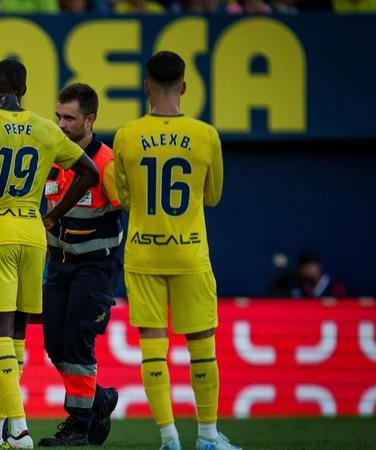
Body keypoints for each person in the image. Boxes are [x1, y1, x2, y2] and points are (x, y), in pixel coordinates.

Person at [0, 59, 99, 449]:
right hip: (33, 235)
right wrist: (52, 216)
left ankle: (22, 429)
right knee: (16, 339)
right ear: (25, 90)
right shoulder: (46, 129)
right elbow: (89, 172)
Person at [113, 51, 240, 450]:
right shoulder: (206, 135)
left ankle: (169, 438)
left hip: (143, 253)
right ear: (184, 86)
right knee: (202, 343)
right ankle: (206, 435)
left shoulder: (126, 135)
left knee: (154, 344)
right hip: (190, 253)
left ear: (146, 86)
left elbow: (126, 199)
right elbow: (214, 196)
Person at [38, 83, 122, 447]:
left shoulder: (107, 164)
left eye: (69, 118)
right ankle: (100, 400)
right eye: (58, 116)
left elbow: (124, 216)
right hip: (58, 266)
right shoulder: (52, 158)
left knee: (77, 342)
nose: (60, 124)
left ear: (90, 119)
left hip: (95, 268)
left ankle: (78, 422)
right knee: (54, 345)